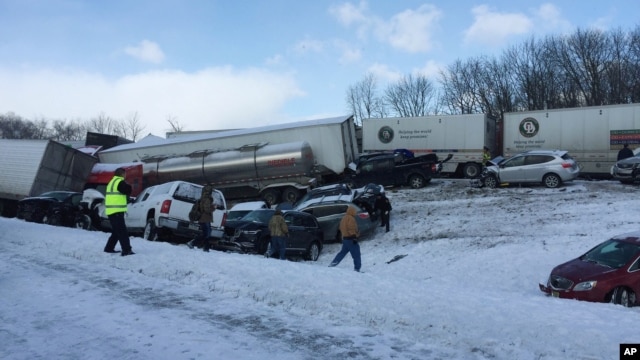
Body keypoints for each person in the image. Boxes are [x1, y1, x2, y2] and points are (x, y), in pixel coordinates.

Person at [103, 167, 134, 256]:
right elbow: (127, 190)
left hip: (111, 210)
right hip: (117, 211)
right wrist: (129, 185)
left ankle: (109, 248)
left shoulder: (111, 182)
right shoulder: (120, 182)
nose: (125, 176)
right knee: (122, 231)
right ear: (122, 174)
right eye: (125, 174)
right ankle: (126, 250)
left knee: (116, 231)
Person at [329, 206, 361, 272]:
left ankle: (333, 264)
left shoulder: (344, 218)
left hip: (345, 239)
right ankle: (357, 269)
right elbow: (351, 228)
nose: (355, 213)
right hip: (351, 239)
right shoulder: (351, 218)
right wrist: (354, 237)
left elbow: (341, 227)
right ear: (352, 211)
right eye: (354, 211)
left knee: (342, 253)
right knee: (356, 254)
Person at [187, 185, 215, 252]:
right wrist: (213, 207)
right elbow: (207, 210)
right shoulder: (207, 199)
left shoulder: (202, 198)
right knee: (206, 234)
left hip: (202, 219)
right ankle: (193, 243)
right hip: (205, 219)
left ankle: (206, 248)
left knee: (206, 233)